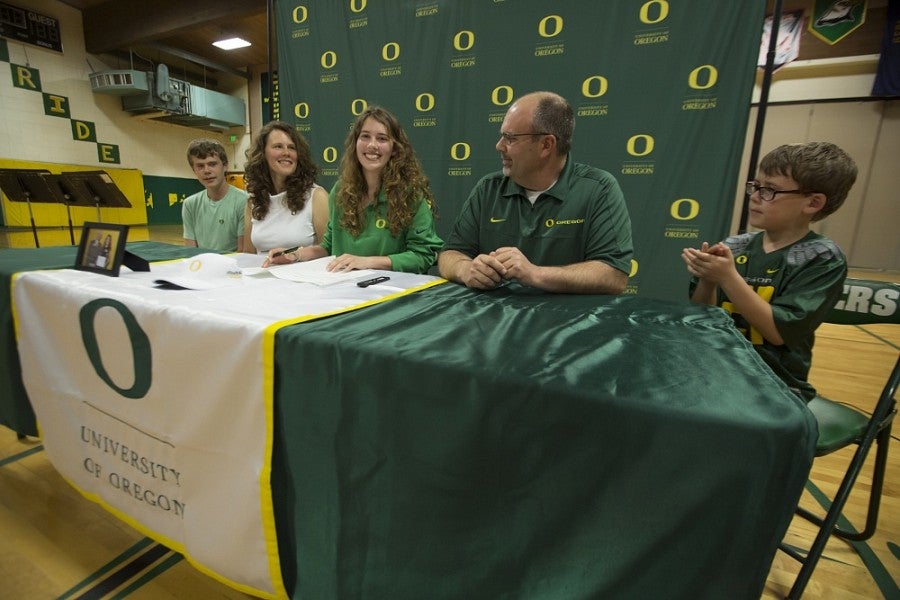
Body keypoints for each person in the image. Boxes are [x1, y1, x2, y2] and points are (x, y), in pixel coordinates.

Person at [681, 141, 858, 402]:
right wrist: (708, 281)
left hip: (777, 385)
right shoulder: (736, 246)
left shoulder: (822, 258)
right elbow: (702, 317)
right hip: (718, 369)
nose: (755, 196)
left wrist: (728, 278)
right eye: (756, 186)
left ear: (812, 203)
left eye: (770, 190)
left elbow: (778, 331)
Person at [437, 91, 633, 294]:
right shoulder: (488, 188)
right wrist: (466, 269)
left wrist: (534, 274)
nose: (499, 146)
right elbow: (449, 254)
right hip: (496, 320)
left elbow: (614, 276)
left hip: (569, 321)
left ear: (546, 145)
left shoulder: (599, 189)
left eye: (510, 138)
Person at [264, 107, 442, 273]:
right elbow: (327, 246)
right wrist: (294, 254)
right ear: (355, 143)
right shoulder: (341, 191)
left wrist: (367, 262)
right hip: (346, 293)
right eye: (365, 136)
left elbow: (424, 255)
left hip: (393, 295)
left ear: (394, 149)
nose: (372, 145)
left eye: (382, 138)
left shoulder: (411, 194)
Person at [243, 121, 328, 261]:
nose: (286, 153)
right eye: (278, 147)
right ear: (263, 153)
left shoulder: (317, 197)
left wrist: (295, 255)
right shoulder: (253, 201)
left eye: (292, 148)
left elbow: (329, 250)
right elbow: (248, 254)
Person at [182, 138, 247, 252]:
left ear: (225, 165)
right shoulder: (190, 204)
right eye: (200, 166)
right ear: (194, 170)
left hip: (233, 267)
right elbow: (190, 251)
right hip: (202, 267)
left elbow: (242, 253)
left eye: (212, 164)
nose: (206, 170)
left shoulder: (244, 201)